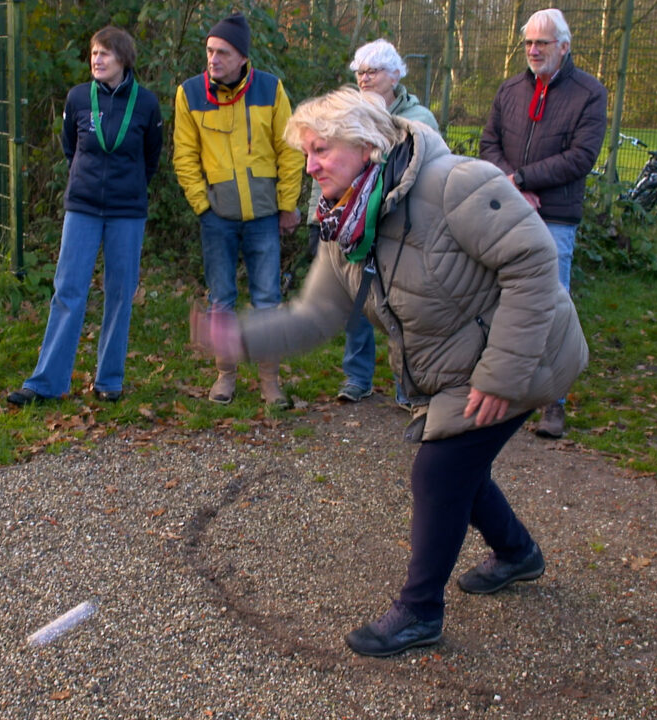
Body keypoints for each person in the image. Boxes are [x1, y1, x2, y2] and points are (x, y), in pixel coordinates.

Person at [191, 88, 587, 657]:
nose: (310, 166)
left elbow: (534, 262)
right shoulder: (347, 225)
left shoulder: (454, 184)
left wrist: (500, 376)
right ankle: (517, 553)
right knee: (459, 466)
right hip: (458, 368)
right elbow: (316, 316)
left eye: (321, 150)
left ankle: (420, 612)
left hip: (528, 353)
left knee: (440, 471)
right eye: (306, 153)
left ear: (367, 146)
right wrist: (240, 337)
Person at [6, 27, 163, 407]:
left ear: (123, 59)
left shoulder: (146, 103)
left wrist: (128, 188)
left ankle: (109, 380)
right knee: (68, 291)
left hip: (127, 211)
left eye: (105, 53)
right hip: (83, 207)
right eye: (93, 53)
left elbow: (151, 157)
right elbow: (70, 147)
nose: (97, 59)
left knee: (120, 293)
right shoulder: (78, 98)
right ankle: (46, 382)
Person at [479, 7, 606, 439]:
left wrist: (523, 180)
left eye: (542, 43)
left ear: (564, 47)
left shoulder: (589, 93)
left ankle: (555, 401)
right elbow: (489, 143)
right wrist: (512, 184)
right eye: (528, 43)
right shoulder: (510, 88)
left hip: (555, 217)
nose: (533, 50)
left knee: (551, 305)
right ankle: (499, 390)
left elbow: (581, 156)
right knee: (495, 298)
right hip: (506, 210)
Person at [174, 13, 303, 409]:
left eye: (223, 53)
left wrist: (287, 205)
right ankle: (225, 375)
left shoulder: (270, 89)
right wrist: (202, 205)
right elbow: (184, 155)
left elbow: (290, 148)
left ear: (243, 58)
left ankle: (269, 380)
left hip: (264, 216)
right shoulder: (190, 93)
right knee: (221, 300)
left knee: (267, 300)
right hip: (218, 218)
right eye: (210, 50)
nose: (214, 59)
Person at [327, 38, 439, 405]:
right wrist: (320, 218)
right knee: (358, 300)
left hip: (403, 226)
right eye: (359, 72)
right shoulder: (347, 115)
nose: (364, 78)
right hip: (357, 225)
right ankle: (357, 378)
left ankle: (407, 385)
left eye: (372, 71)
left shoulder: (419, 119)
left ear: (395, 75)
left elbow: (433, 170)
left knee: (401, 305)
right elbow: (329, 168)